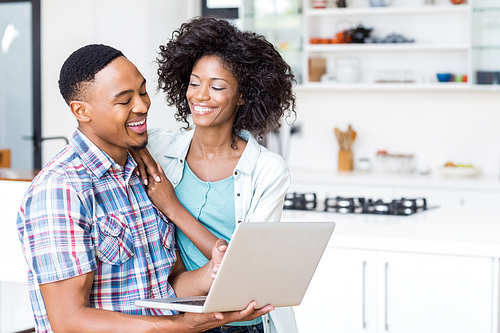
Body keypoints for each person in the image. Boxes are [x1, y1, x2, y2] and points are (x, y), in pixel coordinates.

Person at [16, 44, 272, 333]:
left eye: (142, 91)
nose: (142, 106)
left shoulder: (145, 176)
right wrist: (181, 325)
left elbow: (168, 280)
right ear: (81, 111)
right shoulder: (61, 190)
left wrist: (213, 276)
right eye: (124, 101)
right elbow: (69, 320)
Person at [132, 16, 298, 333]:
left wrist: (173, 208)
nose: (201, 96)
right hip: (179, 317)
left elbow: (244, 268)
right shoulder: (158, 148)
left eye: (217, 86)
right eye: (194, 83)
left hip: (242, 322)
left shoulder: (267, 170)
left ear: (244, 95)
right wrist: (136, 144)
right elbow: (107, 133)